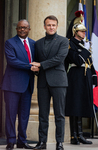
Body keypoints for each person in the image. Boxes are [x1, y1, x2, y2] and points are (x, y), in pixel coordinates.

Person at [31, 15, 69, 150]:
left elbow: (59, 59)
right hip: (42, 82)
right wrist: (35, 68)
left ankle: (59, 143)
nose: (51, 27)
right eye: (48, 25)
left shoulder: (64, 41)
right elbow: (35, 61)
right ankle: (42, 142)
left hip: (58, 81)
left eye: (53, 25)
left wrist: (40, 65)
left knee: (59, 114)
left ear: (57, 26)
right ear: (44, 26)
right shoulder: (38, 43)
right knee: (43, 114)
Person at [0, 19, 39, 150]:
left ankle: (22, 141)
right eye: (20, 27)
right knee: (11, 114)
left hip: (27, 85)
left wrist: (38, 68)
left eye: (25, 27)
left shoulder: (34, 44)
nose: (22, 30)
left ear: (29, 29)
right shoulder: (10, 43)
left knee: (24, 115)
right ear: (16, 29)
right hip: (12, 84)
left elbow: (37, 61)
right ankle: (11, 141)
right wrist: (31, 67)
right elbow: (12, 61)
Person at [65, 11, 98, 145]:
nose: (84, 33)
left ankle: (80, 134)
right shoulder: (70, 44)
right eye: (81, 31)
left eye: (84, 31)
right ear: (75, 32)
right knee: (75, 106)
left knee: (81, 105)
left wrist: (94, 77)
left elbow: (90, 62)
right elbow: (78, 60)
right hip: (75, 77)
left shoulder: (84, 45)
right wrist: (84, 50)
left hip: (85, 77)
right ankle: (74, 136)